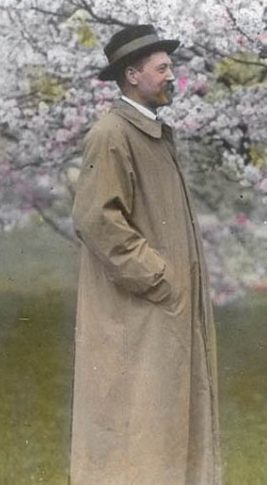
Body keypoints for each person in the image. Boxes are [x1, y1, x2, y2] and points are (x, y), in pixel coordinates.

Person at [69, 24, 220, 485]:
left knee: (167, 424)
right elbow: (97, 220)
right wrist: (160, 277)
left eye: (170, 67)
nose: (171, 76)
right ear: (132, 75)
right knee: (139, 430)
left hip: (160, 311)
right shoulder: (112, 133)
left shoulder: (152, 132)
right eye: (162, 68)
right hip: (138, 312)